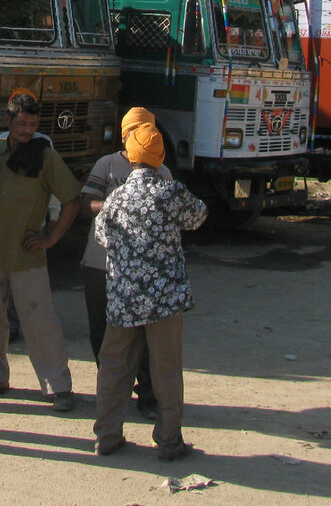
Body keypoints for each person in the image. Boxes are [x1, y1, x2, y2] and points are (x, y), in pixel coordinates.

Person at [93, 123, 208, 460]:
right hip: (164, 302)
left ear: (130, 157)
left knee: (114, 368)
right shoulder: (171, 192)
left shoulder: (115, 198)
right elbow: (199, 216)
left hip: (123, 301)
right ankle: (169, 441)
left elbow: (102, 237)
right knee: (166, 370)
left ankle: (107, 437)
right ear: (159, 158)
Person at [0, 92, 82, 411]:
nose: (27, 130)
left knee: (40, 323)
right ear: (7, 122)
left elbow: (72, 201)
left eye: (33, 124)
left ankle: (58, 387)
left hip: (27, 256)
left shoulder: (45, 156)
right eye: (21, 124)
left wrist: (51, 239)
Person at [80, 106, 174, 418]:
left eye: (151, 129)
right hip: (99, 262)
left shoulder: (162, 170)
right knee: (102, 333)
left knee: (144, 336)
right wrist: (114, 209)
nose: (147, 135)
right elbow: (86, 202)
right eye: (140, 130)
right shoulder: (107, 165)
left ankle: (146, 394)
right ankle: (110, 393)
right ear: (126, 134)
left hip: (141, 272)